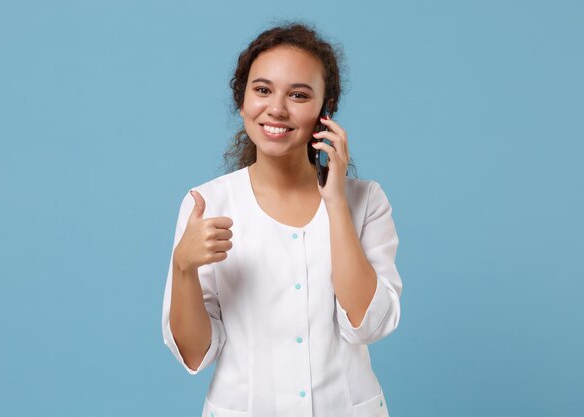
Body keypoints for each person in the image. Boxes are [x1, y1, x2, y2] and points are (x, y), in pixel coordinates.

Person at [161, 22, 403, 417]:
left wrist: (336, 203)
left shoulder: (366, 201)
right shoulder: (208, 202)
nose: (276, 108)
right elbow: (194, 353)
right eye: (262, 90)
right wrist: (183, 267)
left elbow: (367, 325)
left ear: (325, 113)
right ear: (242, 102)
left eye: (299, 95)